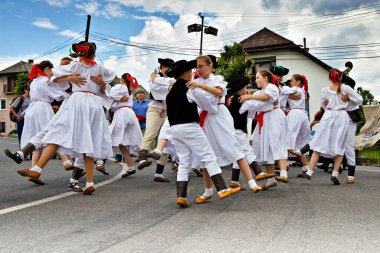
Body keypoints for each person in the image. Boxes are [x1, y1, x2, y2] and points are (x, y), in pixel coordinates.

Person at [16, 41, 116, 195]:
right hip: (94, 105)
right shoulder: (99, 69)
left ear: (80, 53)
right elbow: (104, 91)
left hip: (78, 102)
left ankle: (37, 168)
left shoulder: (76, 66)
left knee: (57, 132)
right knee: (86, 141)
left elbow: (52, 77)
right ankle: (89, 182)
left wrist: (69, 77)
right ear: (94, 54)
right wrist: (98, 83)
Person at [166, 59, 239, 207]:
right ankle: (222, 189)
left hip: (175, 129)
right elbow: (206, 104)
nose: (193, 73)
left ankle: (182, 196)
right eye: (190, 71)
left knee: (184, 162)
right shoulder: (190, 88)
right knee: (208, 155)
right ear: (186, 73)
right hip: (190, 126)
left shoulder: (170, 91)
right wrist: (213, 100)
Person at [298, 69, 350, 185]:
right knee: (339, 146)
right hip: (341, 117)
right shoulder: (345, 90)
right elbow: (356, 101)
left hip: (328, 116)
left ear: (329, 78)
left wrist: (329, 108)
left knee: (318, 143)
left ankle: (309, 172)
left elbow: (323, 104)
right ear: (340, 77)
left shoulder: (325, 90)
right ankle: (335, 174)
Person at [239, 68, 289, 190]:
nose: (256, 80)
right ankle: (271, 180)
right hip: (264, 119)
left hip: (275, 116)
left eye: (258, 77)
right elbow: (252, 105)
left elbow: (267, 98)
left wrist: (249, 97)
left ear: (266, 78)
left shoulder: (272, 87)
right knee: (265, 147)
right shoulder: (257, 93)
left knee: (277, 142)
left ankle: (283, 173)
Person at [136, 58, 176, 175]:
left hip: (168, 112)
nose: (169, 70)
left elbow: (173, 82)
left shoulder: (169, 79)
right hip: (155, 110)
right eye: (167, 68)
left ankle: (159, 173)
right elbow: (162, 84)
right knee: (150, 133)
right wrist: (156, 76)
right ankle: (142, 159)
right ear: (162, 68)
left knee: (165, 140)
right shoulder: (155, 78)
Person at [109, 73, 143, 178]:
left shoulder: (120, 87)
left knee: (114, 137)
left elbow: (110, 95)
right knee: (123, 141)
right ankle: (131, 166)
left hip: (122, 114)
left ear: (122, 79)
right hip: (128, 113)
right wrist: (116, 100)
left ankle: (100, 161)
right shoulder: (128, 89)